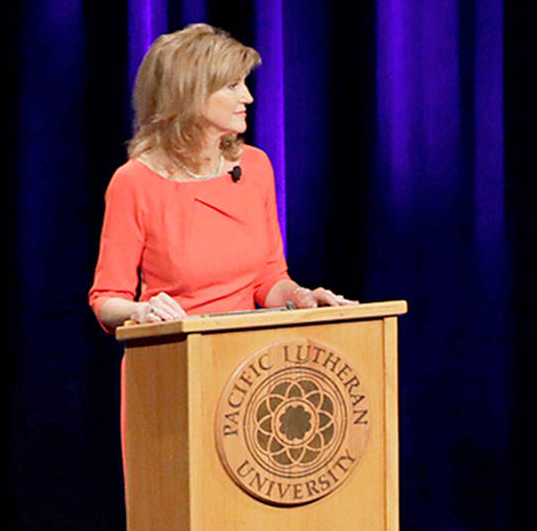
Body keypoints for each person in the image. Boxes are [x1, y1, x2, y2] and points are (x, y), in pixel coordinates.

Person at [89, 23, 352, 333]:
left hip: (245, 364)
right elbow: (106, 299)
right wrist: (143, 311)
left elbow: (268, 280)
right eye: (232, 85)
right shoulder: (135, 182)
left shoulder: (255, 166)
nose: (248, 97)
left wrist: (303, 297)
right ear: (189, 93)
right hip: (171, 361)